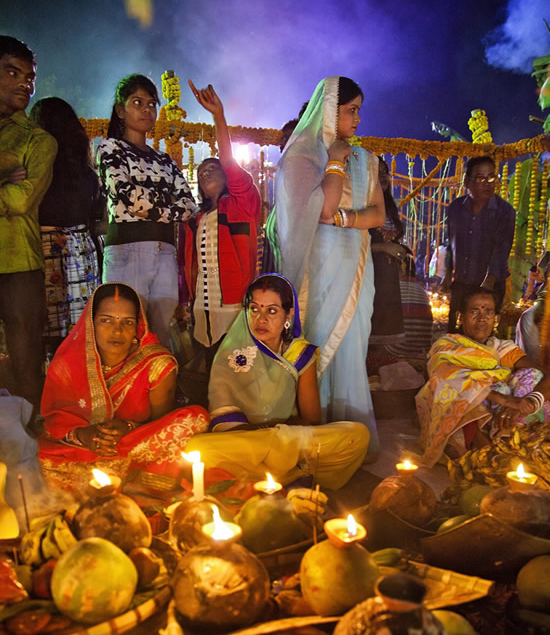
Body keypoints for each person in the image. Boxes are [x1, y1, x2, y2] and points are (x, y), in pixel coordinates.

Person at [270, 76, 385, 458]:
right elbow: (319, 208)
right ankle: (314, 441)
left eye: (359, 111)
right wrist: (334, 160)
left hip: (355, 267)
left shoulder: (366, 159)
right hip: (315, 271)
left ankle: (350, 441)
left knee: (352, 347)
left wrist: (341, 220)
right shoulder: (302, 156)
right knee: (316, 345)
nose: (357, 119)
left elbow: (378, 215)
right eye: (351, 110)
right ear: (329, 112)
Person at [185, 274, 369, 489]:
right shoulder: (230, 353)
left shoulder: (299, 354)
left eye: (271, 311)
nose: (261, 319)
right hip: (247, 445)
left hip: (289, 440)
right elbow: (224, 423)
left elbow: (310, 420)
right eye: (254, 309)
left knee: (357, 434)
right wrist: (267, 434)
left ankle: (265, 477)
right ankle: (291, 474)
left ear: (288, 315)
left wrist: (279, 436)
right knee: (196, 448)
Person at [39, 283, 209, 493]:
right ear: (90, 324)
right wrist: (83, 435)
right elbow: (52, 424)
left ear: (137, 327)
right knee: (32, 459)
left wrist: (126, 428)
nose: (117, 330)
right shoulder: (67, 363)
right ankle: (124, 482)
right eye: (106, 320)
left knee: (194, 418)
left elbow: (159, 425)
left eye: (127, 322)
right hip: (79, 450)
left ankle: (112, 482)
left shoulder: (155, 363)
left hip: (131, 448)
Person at [96, 74, 196, 348]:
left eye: (151, 104)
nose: (146, 109)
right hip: (127, 250)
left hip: (164, 251)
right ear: (120, 110)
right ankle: (124, 391)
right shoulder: (110, 149)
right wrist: (166, 205)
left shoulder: (163, 159)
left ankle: (159, 390)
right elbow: (129, 198)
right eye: (137, 102)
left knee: (161, 334)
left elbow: (188, 205)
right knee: (124, 332)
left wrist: (151, 206)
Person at [416, 287, 550, 467]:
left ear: (496, 319)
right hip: (478, 416)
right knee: (457, 390)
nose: (482, 318)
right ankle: (489, 452)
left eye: (488, 311)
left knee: (533, 375)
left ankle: (520, 441)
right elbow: (444, 378)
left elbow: (544, 373)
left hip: (508, 416)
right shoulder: (446, 346)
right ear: (460, 317)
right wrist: (505, 399)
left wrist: (527, 402)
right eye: (474, 311)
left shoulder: (502, 348)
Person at [180, 81, 260, 365]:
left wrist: (218, 116)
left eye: (213, 168)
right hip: (202, 304)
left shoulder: (242, 204)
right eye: (201, 172)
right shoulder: (195, 220)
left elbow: (228, 161)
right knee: (207, 366)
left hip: (234, 302)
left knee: (237, 369)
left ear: (228, 175)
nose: (206, 173)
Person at [0, 36, 57, 417]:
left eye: (30, 76)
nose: (25, 83)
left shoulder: (39, 140)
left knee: (24, 360)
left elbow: (21, 200)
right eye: (11, 72)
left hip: (20, 262)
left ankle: (28, 446)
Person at [29, 97, 102, 351]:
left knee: (46, 328)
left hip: (47, 247)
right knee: (79, 331)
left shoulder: (35, 169)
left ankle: (47, 381)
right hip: (82, 250)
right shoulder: (87, 173)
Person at [443, 155, 516, 332]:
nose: (487, 183)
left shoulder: (504, 211)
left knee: (483, 337)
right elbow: (451, 243)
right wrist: (447, 274)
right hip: (461, 283)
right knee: (455, 335)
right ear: (467, 182)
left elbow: (502, 249)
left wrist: (488, 283)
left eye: (491, 177)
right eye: (480, 178)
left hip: (489, 287)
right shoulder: (455, 208)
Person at [368, 157, 407, 349]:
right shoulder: (362, 206)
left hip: (389, 280)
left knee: (385, 341)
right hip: (369, 279)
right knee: (368, 334)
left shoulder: (390, 207)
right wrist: (384, 248)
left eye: (385, 172)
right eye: (377, 172)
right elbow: (354, 245)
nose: (382, 176)